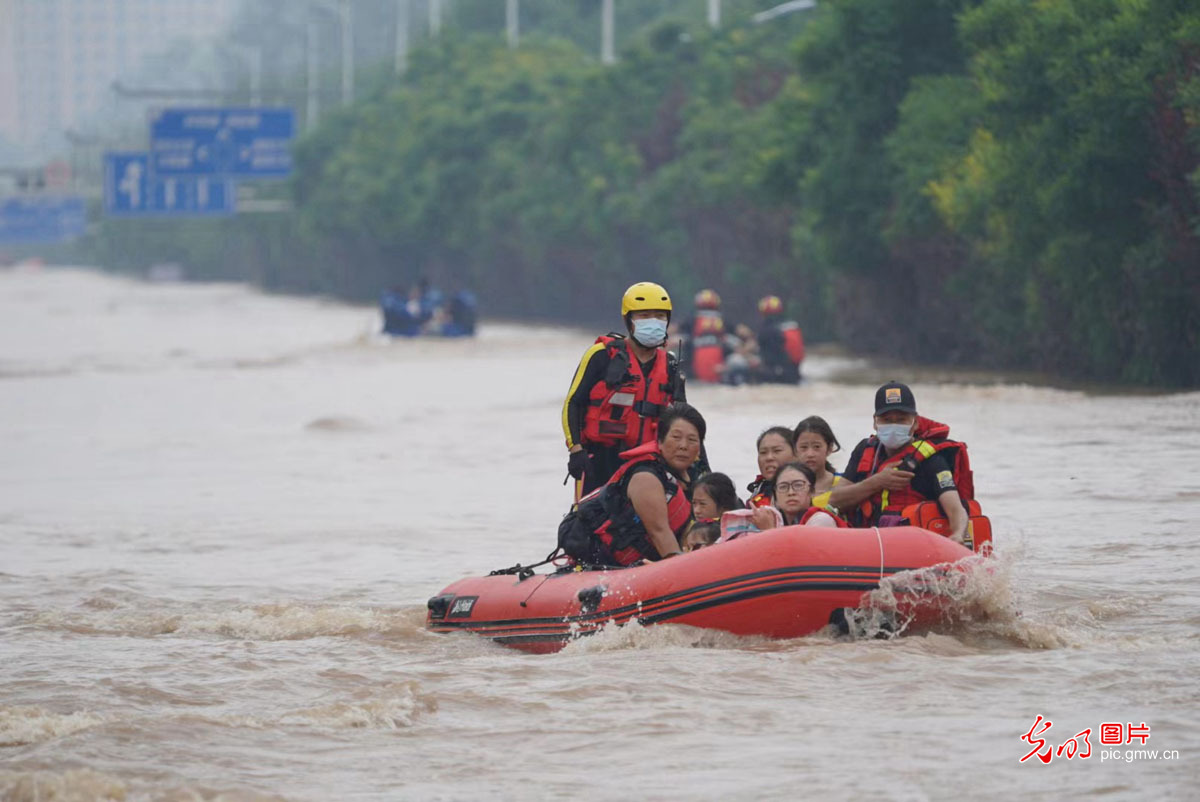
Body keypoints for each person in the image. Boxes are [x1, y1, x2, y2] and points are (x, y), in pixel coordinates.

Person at [562, 282, 686, 497]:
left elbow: (684, 421)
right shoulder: (600, 355)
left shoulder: (670, 365)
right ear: (628, 320)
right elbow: (573, 402)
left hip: (650, 463)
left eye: (659, 316)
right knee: (591, 522)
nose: (653, 322)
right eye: (644, 316)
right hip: (601, 460)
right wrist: (576, 450)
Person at [557, 403, 706, 567]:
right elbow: (659, 533)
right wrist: (685, 571)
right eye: (676, 437)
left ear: (699, 449)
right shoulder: (646, 477)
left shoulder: (697, 480)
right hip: (603, 559)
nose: (683, 446)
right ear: (660, 442)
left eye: (692, 440)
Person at [828, 381, 969, 543]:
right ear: (875, 422)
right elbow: (835, 500)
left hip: (913, 545)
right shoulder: (864, 450)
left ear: (915, 422)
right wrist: (877, 482)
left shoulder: (932, 460)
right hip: (867, 544)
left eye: (901, 419)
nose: (893, 425)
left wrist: (958, 534)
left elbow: (956, 508)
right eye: (886, 419)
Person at [792, 415, 849, 509]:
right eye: (804, 447)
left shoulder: (842, 484)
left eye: (817, 447)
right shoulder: (786, 486)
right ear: (795, 450)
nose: (810, 454)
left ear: (829, 448)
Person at [769, 462, 841, 527]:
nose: (791, 492)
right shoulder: (772, 522)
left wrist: (769, 530)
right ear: (775, 497)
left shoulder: (821, 520)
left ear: (812, 491)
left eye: (798, 485)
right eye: (783, 487)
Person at [754, 296, 804, 384]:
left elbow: (759, 348)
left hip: (774, 374)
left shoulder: (766, 330)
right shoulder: (791, 325)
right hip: (794, 373)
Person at [746, 426, 796, 508]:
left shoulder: (809, 492)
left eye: (777, 451)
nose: (769, 457)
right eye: (763, 452)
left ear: (796, 454)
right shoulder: (756, 494)